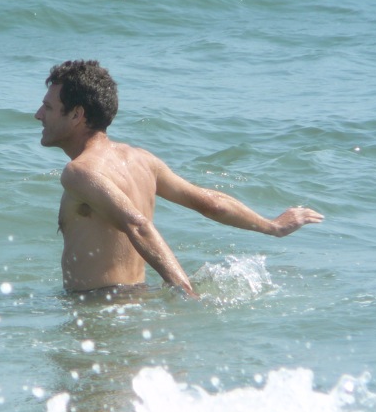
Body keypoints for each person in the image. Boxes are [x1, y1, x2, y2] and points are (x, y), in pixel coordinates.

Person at [34, 60, 324, 298]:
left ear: (77, 115)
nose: (38, 115)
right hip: (136, 298)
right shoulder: (142, 161)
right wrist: (273, 226)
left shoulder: (79, 172)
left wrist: (185, 290)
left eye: (48, 107)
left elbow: (138, 226)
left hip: (99, 309)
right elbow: (211, 203)